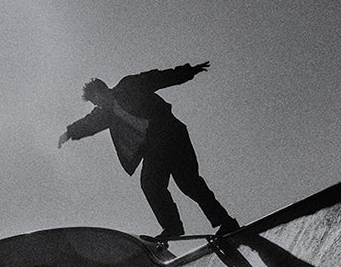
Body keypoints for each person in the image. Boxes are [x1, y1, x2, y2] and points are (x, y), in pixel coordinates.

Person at [57, 61, 240, 251]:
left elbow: (157, 78)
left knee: (189, 183)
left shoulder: (129, 86)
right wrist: (69, 133)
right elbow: (89, 123)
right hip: (153, 148)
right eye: (96, 104)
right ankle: (173, 227)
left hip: (171, 135)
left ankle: (225, 221)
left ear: (103, 90)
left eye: (97, 100)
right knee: (151, 184)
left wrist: (187, 71)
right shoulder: (106, 114)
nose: (98, 106)